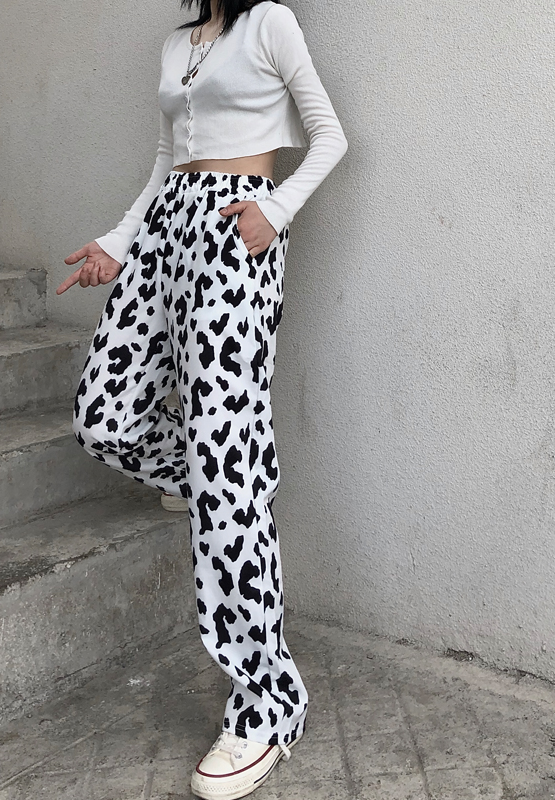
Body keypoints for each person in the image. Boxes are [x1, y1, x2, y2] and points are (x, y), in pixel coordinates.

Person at [57, 0, 347, 796]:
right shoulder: (177, 43)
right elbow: (164, 164)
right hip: (164, 234)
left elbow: (331, 136)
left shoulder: (271, 23)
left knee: (227, 465)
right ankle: (215, 478)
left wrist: (274, 211)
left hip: (232, 236)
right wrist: (118, 243)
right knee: (102, 416)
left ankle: (269, 702)